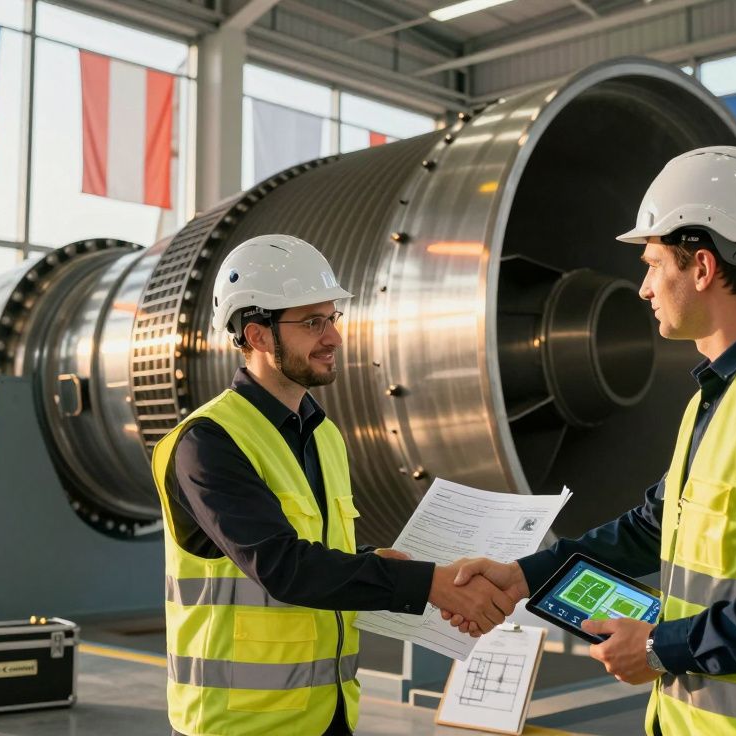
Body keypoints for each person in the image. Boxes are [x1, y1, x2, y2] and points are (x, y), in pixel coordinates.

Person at [445, 146, 736, 734]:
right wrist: (525, 574)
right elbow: (655, 525)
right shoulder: (722, 394)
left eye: (654, 264)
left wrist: (663, 645)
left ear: (703, 268)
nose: (644, 288)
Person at [149, 233, 519, 736]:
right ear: (257, 336)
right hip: (238, 723)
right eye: (312, 323)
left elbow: (315, 547)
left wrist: (369, 559)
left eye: (332, 318)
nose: (334, 338)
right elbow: (281, 566)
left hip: (327, 712)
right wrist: (428, 584)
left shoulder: (323, 435)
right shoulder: (206, 442)